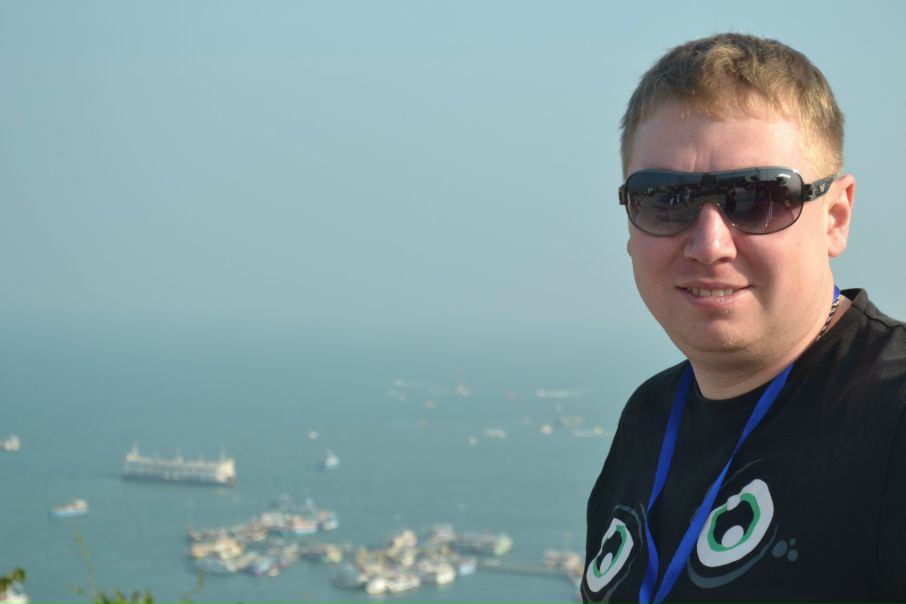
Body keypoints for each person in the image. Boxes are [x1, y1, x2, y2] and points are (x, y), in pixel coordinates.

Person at [583, 33, 906, 603]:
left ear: (835, 217)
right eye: (665, 199)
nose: (709, 245)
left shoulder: (893, 417)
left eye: (759, 198)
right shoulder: (648, 418)